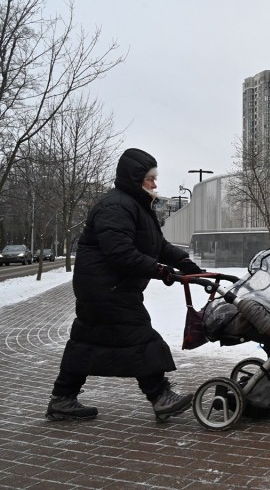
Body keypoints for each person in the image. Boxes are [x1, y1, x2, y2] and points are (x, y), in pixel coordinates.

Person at [46, 148, 204, 422]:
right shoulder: (117, 206)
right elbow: (120, 252)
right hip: (107, 289)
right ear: (134, 178)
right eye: (150, 179)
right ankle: (160, 395)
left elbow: (157, 245)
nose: (155, 184)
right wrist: (160, 270)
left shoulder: (135, 206)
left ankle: (62, 399)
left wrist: (184, 262)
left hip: (105, 288)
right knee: (139, 336)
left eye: (155, 179)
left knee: (86, 340)